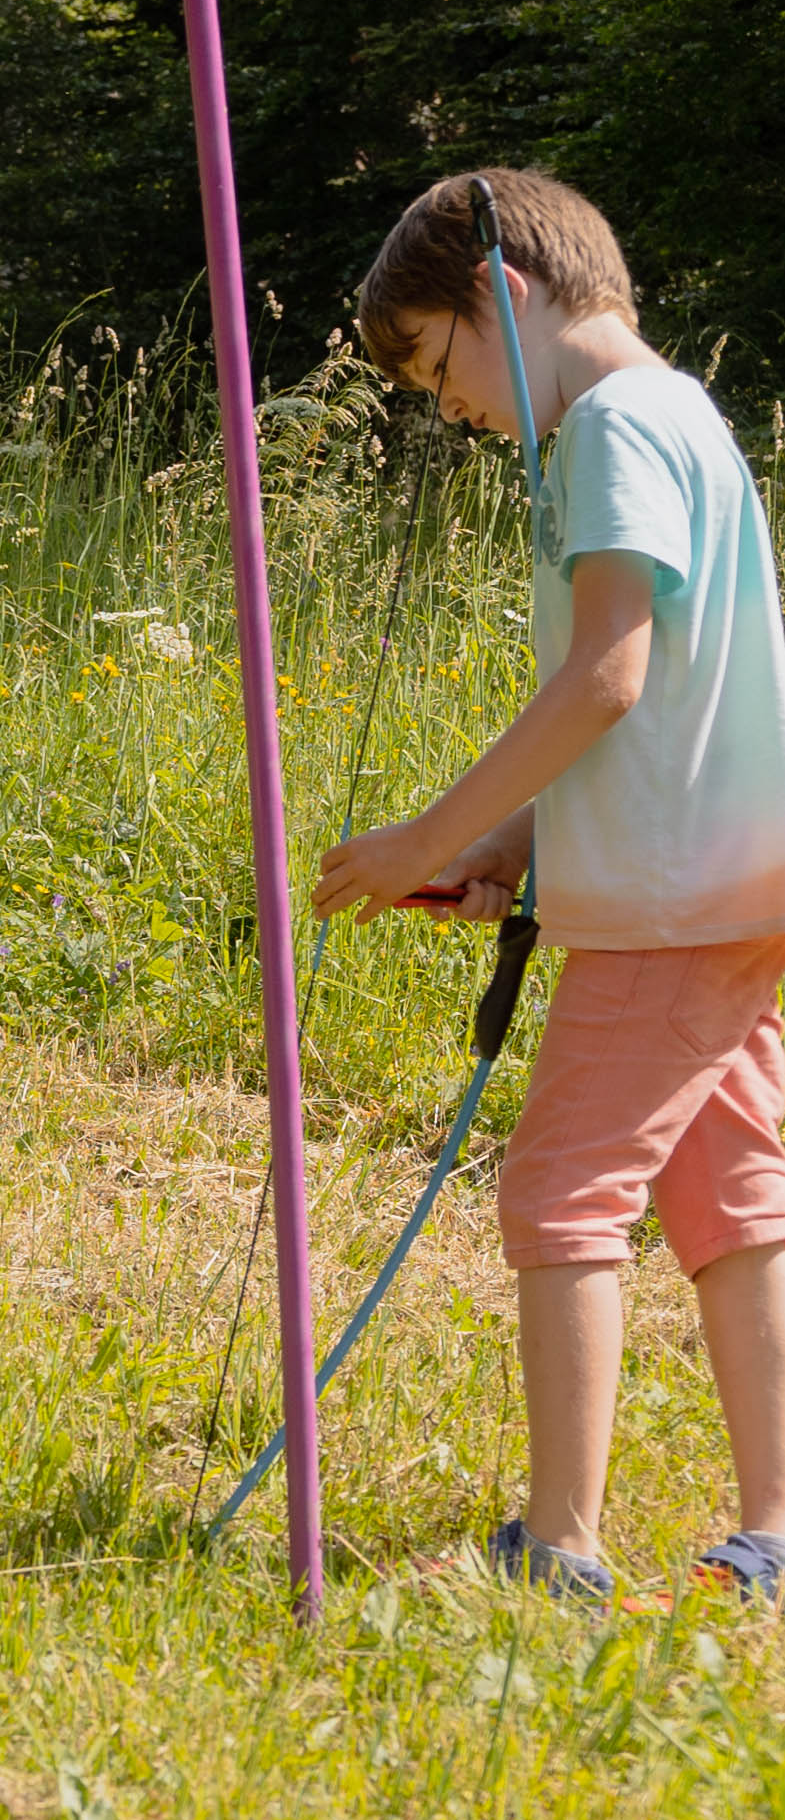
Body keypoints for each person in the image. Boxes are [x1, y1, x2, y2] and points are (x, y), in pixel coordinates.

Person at [312, 169, 785, 1609]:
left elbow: (606, 676)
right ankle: (775, 1531)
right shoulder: (686, 411)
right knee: (730, 1195)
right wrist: (518, 843)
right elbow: (668, 698)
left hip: (666, 905)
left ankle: (559, 1550)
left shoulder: (609, 428)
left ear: (500, 292)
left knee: (562, 1190)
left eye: (435, 364)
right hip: (732, 883)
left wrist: (421, 835)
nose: (447, 407)